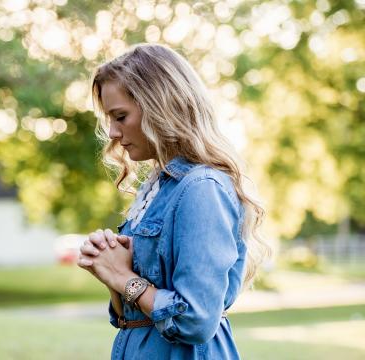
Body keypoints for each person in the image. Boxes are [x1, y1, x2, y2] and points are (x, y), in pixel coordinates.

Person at [77, 43, 270, 359]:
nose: (111, 132)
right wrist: (109, 267)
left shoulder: (201, 188)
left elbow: (194, 320)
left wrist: (124, 277)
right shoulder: (159, 187)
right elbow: (129, 318)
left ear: (159, 106)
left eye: (121, 116)